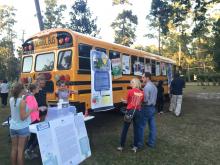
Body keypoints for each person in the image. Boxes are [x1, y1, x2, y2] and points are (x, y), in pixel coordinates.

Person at [117, 78, 144, 153]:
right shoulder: (142, 92)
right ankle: (135, 147)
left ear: (136, 83)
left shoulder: (130, 91)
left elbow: (128, 102)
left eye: (132, 82)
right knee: (136, 129)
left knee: (125, 129)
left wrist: (123, 101)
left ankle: (121, 146)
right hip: (138, 111)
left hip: (130, 111)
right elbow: (140, 102)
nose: (130, 84)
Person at [9, 83, 32, 165]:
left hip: (13, 127)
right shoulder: (22, 102)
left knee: (14, 149)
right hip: (22, 128)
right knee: (20, 150)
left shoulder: (11, 99)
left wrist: (26, 94)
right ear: (21, 90)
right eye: (24, 89)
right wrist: (30, 110)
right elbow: (23, 117)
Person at [139, 72, 158, 148]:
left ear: (147, 78)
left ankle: (139, 144)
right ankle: (151, 143)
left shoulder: (147, 87)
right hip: (153, 108)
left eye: (143, 77)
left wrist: (139, 100)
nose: (142, 79)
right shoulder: (154, 86)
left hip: (146, 108)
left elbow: (145, 100)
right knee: (152, 126)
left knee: (141, 126)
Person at [24, 83, 40, 159]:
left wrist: (38, 109)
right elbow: (30, 109)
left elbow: (33, 107)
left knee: (33, 136)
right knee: (37, 136)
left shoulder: (32, 96)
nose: (39, 89)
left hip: (35, 118)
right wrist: (38, 109)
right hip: (32, 119)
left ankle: (28, 150)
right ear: (33, 89)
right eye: (37, 88)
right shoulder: (30, 97)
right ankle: (29, 150)